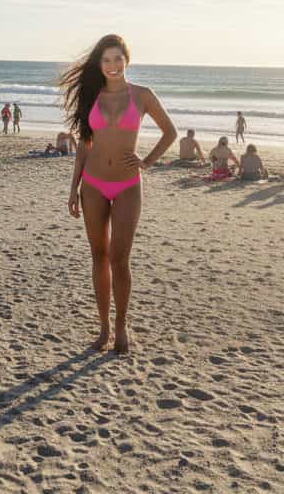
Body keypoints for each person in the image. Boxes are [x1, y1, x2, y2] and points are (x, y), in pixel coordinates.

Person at [61, 34, 177, 354]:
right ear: (100, 64)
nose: (112, 66)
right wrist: (73, 187)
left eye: (117, 59)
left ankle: (122, 325)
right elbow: (84, 145)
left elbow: (171, 132)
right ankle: (103, 328)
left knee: (120, 258)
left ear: (127, 60)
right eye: (106, 60)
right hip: (93, 184)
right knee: (98, 257)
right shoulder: (92, 97)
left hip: (127, 185)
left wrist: (147, 162)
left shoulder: (142, 96)